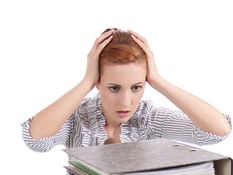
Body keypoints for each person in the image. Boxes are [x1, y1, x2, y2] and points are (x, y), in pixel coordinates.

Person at [21, 28, 231, 151]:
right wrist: (86, 82)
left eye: (136, 87)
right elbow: (36, 140)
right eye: (114, 88)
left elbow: (216, 132)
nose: (126, 102)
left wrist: (158, 81)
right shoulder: (79, 119)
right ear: (98, 82)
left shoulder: (149, 119)